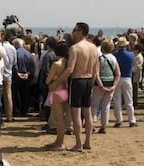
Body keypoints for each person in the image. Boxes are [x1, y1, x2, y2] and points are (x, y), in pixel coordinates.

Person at [51, 22, 99, 152]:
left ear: (81, 32)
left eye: (75, 30)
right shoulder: (94, 48)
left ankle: (78, 143)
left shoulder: (75, 48)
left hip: (78, 81)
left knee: (76, 113)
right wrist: (92, 83)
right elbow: (96, 70)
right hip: (89, 80)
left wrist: (56, 82)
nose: (73, 32)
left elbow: (70, 70)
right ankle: (87, 141)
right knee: (87, 112)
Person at [91, 39, 120, 134]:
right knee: (106, 106)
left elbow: (96, 73)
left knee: (95, 105)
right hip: (110, 83)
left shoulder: (99, 58)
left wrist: (100, 86)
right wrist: (114, 86)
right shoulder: (113, 58)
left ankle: (93, 123)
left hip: (100, 84)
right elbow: (118, 74)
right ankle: (103, 125)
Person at [45, 42, 69, 150]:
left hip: (56, 92)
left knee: (58, 119)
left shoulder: (56, 64)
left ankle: (60, 143)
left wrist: (52, 79)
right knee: (61, 119)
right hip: (65, 91)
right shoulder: (67, 62)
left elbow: (47, 80)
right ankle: (58, 141)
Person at [113, 36, 138, 128]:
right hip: (127, 78)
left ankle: (119, 120)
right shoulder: (131, 55)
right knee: (129, 100)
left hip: (117, 78)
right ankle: (132, 120)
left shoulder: (115, 55)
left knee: (117, 100)